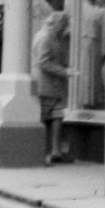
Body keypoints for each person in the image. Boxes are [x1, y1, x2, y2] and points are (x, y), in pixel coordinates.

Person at [33, 9, 73, 163]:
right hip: (47, 84)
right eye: (64, 25)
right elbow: (43, 62)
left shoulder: (51, 36)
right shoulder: (46, 38)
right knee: (49, 117)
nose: (66, 28)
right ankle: (45, 151)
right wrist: (64, 71)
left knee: (57, 116)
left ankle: (54, 150)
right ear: (57, 24)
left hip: (53, 85)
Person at [78, 0, 105, 110]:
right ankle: (87, 100)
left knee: (96, 72)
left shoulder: (103, 10)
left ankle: (96, 98)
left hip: (97, 43)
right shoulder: (87, 7)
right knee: (88, 72)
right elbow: (92, 16)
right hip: (88, 42)